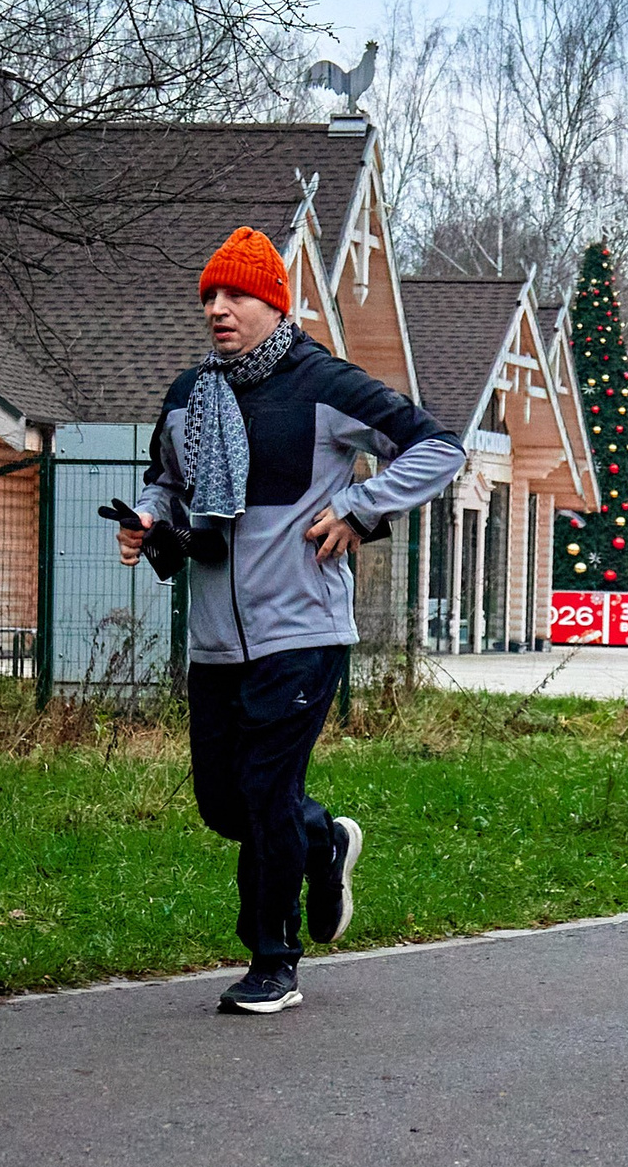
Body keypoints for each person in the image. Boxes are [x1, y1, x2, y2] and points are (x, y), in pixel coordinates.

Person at [123, 227, 465, 1015]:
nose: (218, 309)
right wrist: (146, 518)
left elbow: (437, 448)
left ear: (275, 303)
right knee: (222, 802)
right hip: (215, 637)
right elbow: (165, 484)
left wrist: (358, 506)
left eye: (236, 295)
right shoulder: (188, 395)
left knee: (266, 788)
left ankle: (272, 958)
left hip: (303, 633)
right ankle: (322, 840)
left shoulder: (322, 383)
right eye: (209, 296)